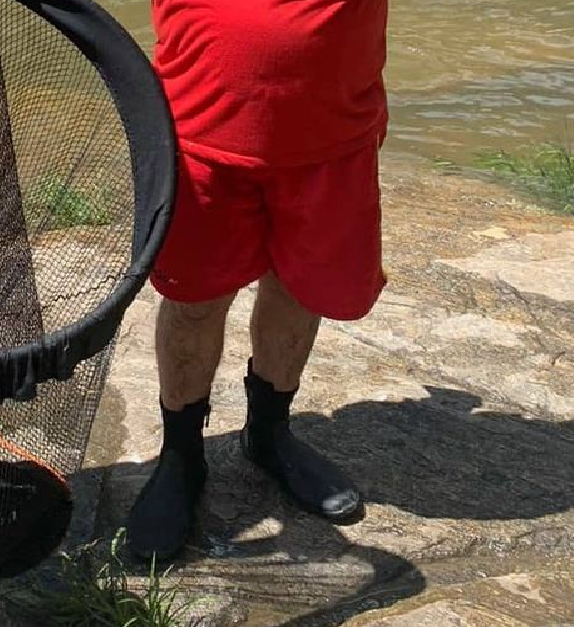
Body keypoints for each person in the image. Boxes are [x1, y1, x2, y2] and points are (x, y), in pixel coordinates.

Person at [126, 0, 389, 561]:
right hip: (197, 131)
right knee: (193, 301)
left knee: (299, 286)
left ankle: (269, 435)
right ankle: (181, 457)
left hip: (332, 135)